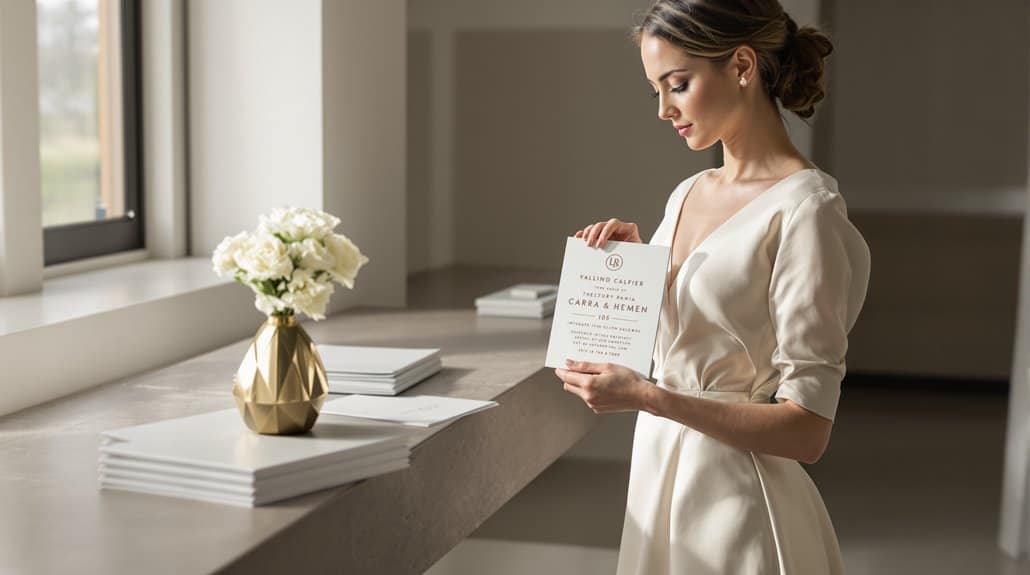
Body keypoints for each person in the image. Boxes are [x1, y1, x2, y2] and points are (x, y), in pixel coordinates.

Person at [553, 1, 871, 573]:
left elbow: (809, 430)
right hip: (658, 481)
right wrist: (634, 269)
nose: (662, 109)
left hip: (737, 506)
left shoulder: (808, 211)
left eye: (677, 84)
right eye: (654, 90)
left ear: (743, 66)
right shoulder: (688, 192)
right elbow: (692, 340)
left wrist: (649, 398)